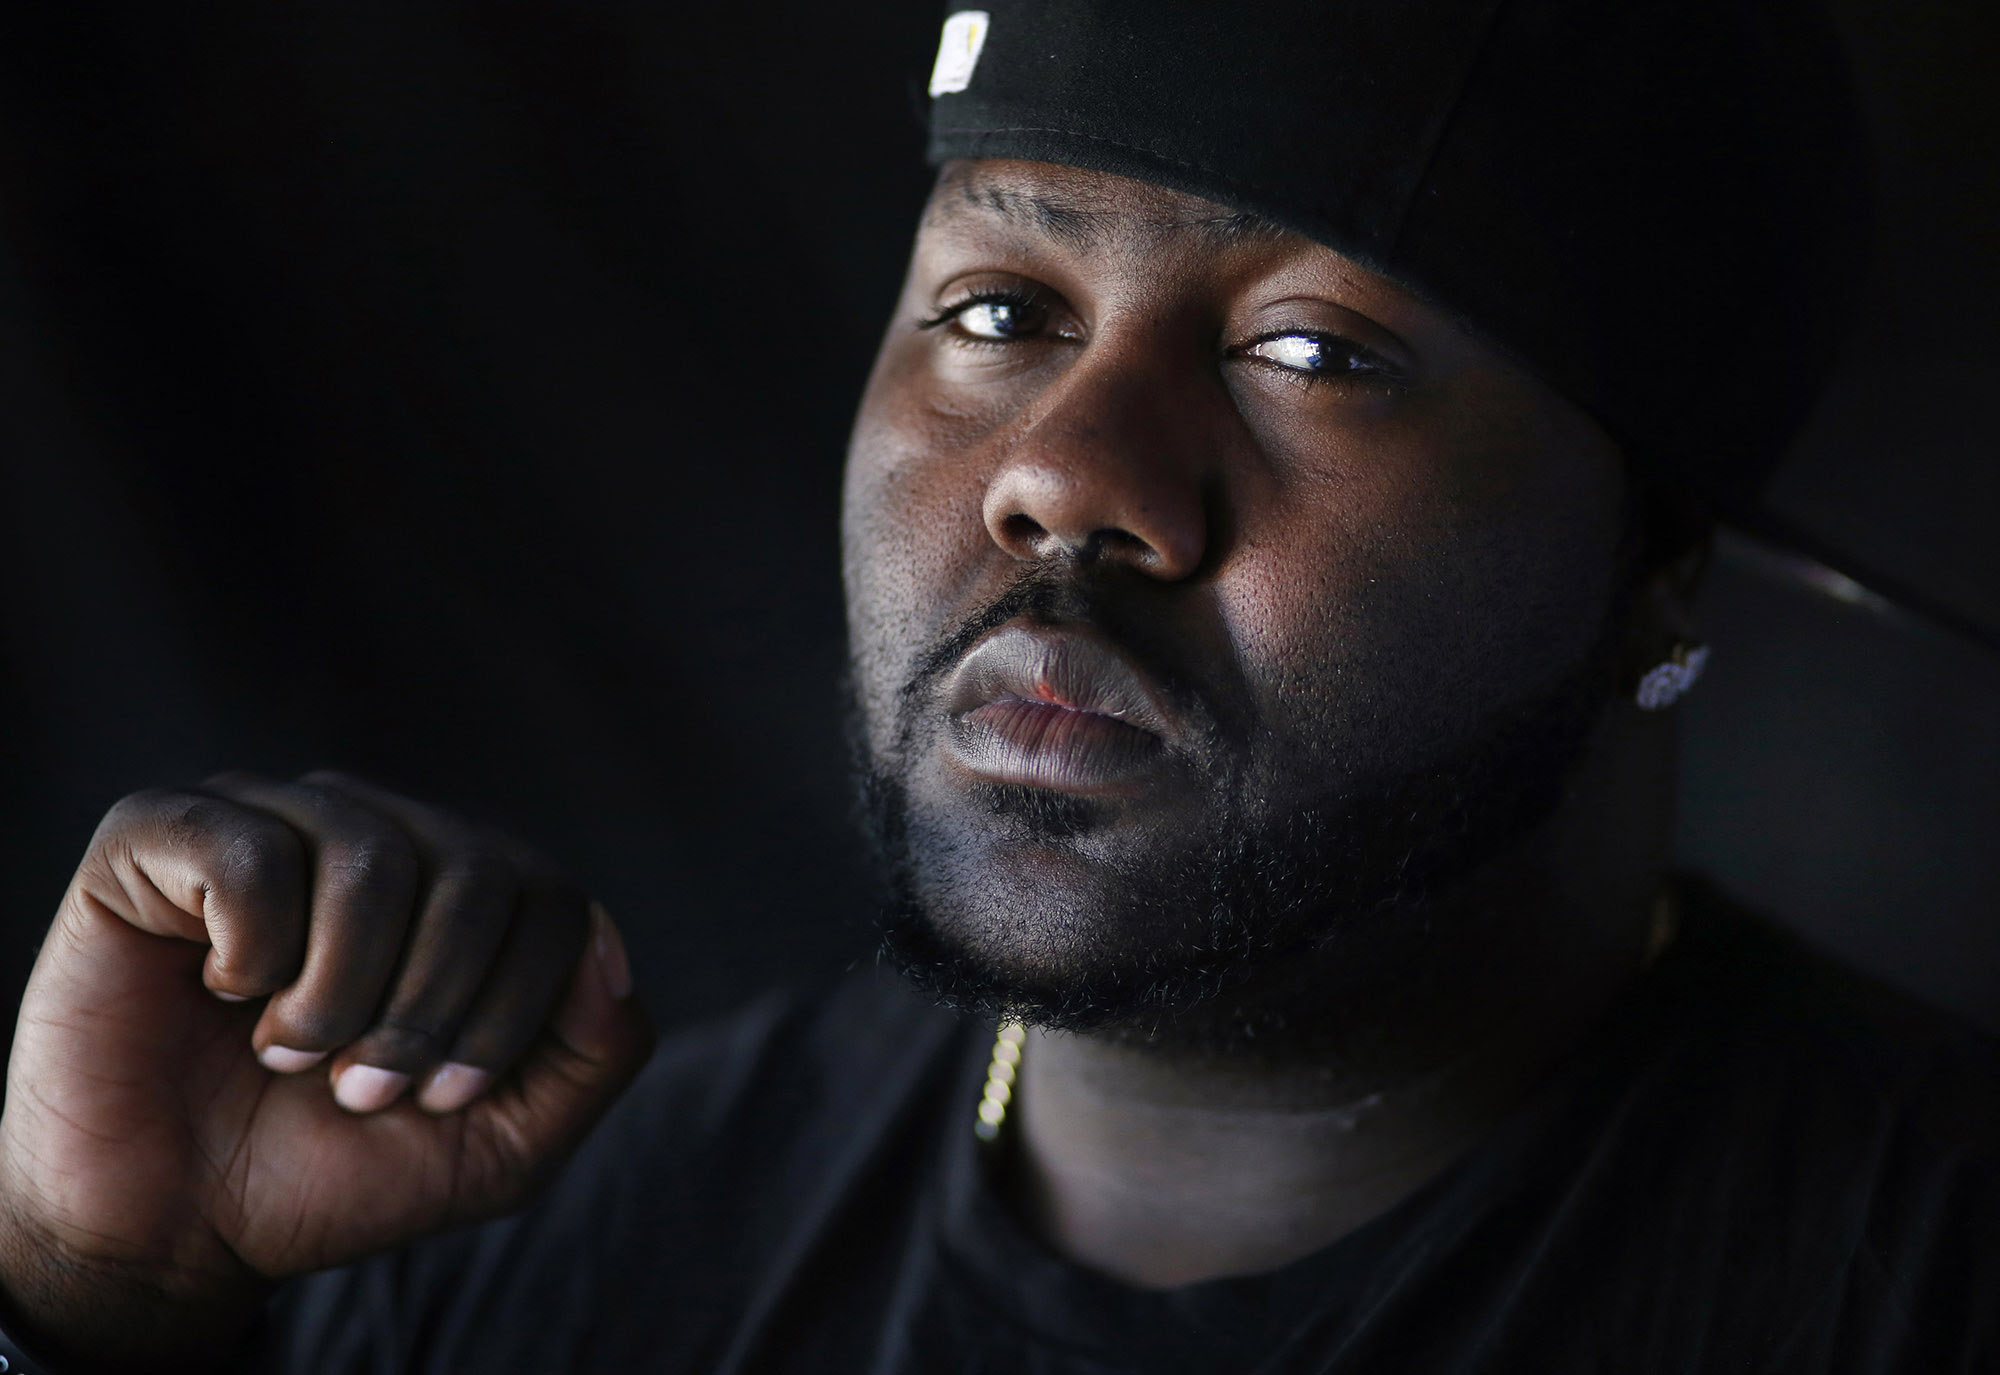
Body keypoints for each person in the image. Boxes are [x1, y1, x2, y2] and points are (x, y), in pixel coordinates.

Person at [0, 1, 1993, 1370]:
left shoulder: (1916, 1279)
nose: (1066, 474)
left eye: (1315, 353)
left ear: (1655, 563)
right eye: (999, 308)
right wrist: (101, 1305)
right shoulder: (527, 1241)